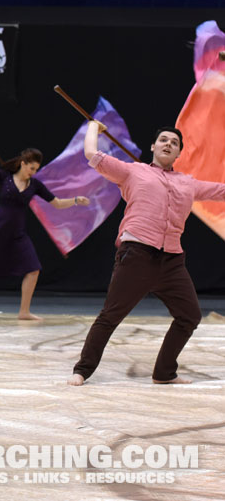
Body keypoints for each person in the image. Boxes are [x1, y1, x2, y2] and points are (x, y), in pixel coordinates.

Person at [69, 122, 225, 386]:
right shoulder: (132, 172)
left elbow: (221, 191)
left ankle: (164, 373)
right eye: (163, 140)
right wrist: (93, 126)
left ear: (178, 154)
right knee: (110, 316)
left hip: (172, 261)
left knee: (189, 316)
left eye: (174, 143)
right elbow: (91, 155)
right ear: (153, 146)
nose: (168, 144)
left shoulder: (188, 183)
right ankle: (82, 370)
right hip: (137, 255)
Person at [0, 144, 90, 320]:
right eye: (31, 168)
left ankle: (24, 312)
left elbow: (56, 203)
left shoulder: (35, 185)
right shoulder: (4, 176)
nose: (33, 172)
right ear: (22, 163)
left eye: (36, 169)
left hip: (17, 233)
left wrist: (75, 200)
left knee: (33, 269)